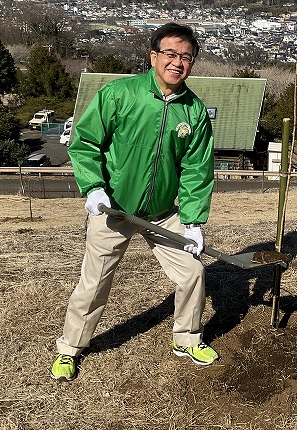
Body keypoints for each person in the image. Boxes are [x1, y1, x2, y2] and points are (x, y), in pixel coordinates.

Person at [51, 22, 217, 382]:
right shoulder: (119, 95)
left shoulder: (194, 111)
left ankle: (186, 338)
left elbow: (196, 169)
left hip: (161, 212)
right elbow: (85, 142)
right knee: (94, 283)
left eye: (186, 56)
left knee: (193, 272)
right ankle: (70, 348)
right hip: (114, 208)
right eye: (170, 54)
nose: (177, 62)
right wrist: (93, 187)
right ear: (154, 56)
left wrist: (191, 221)